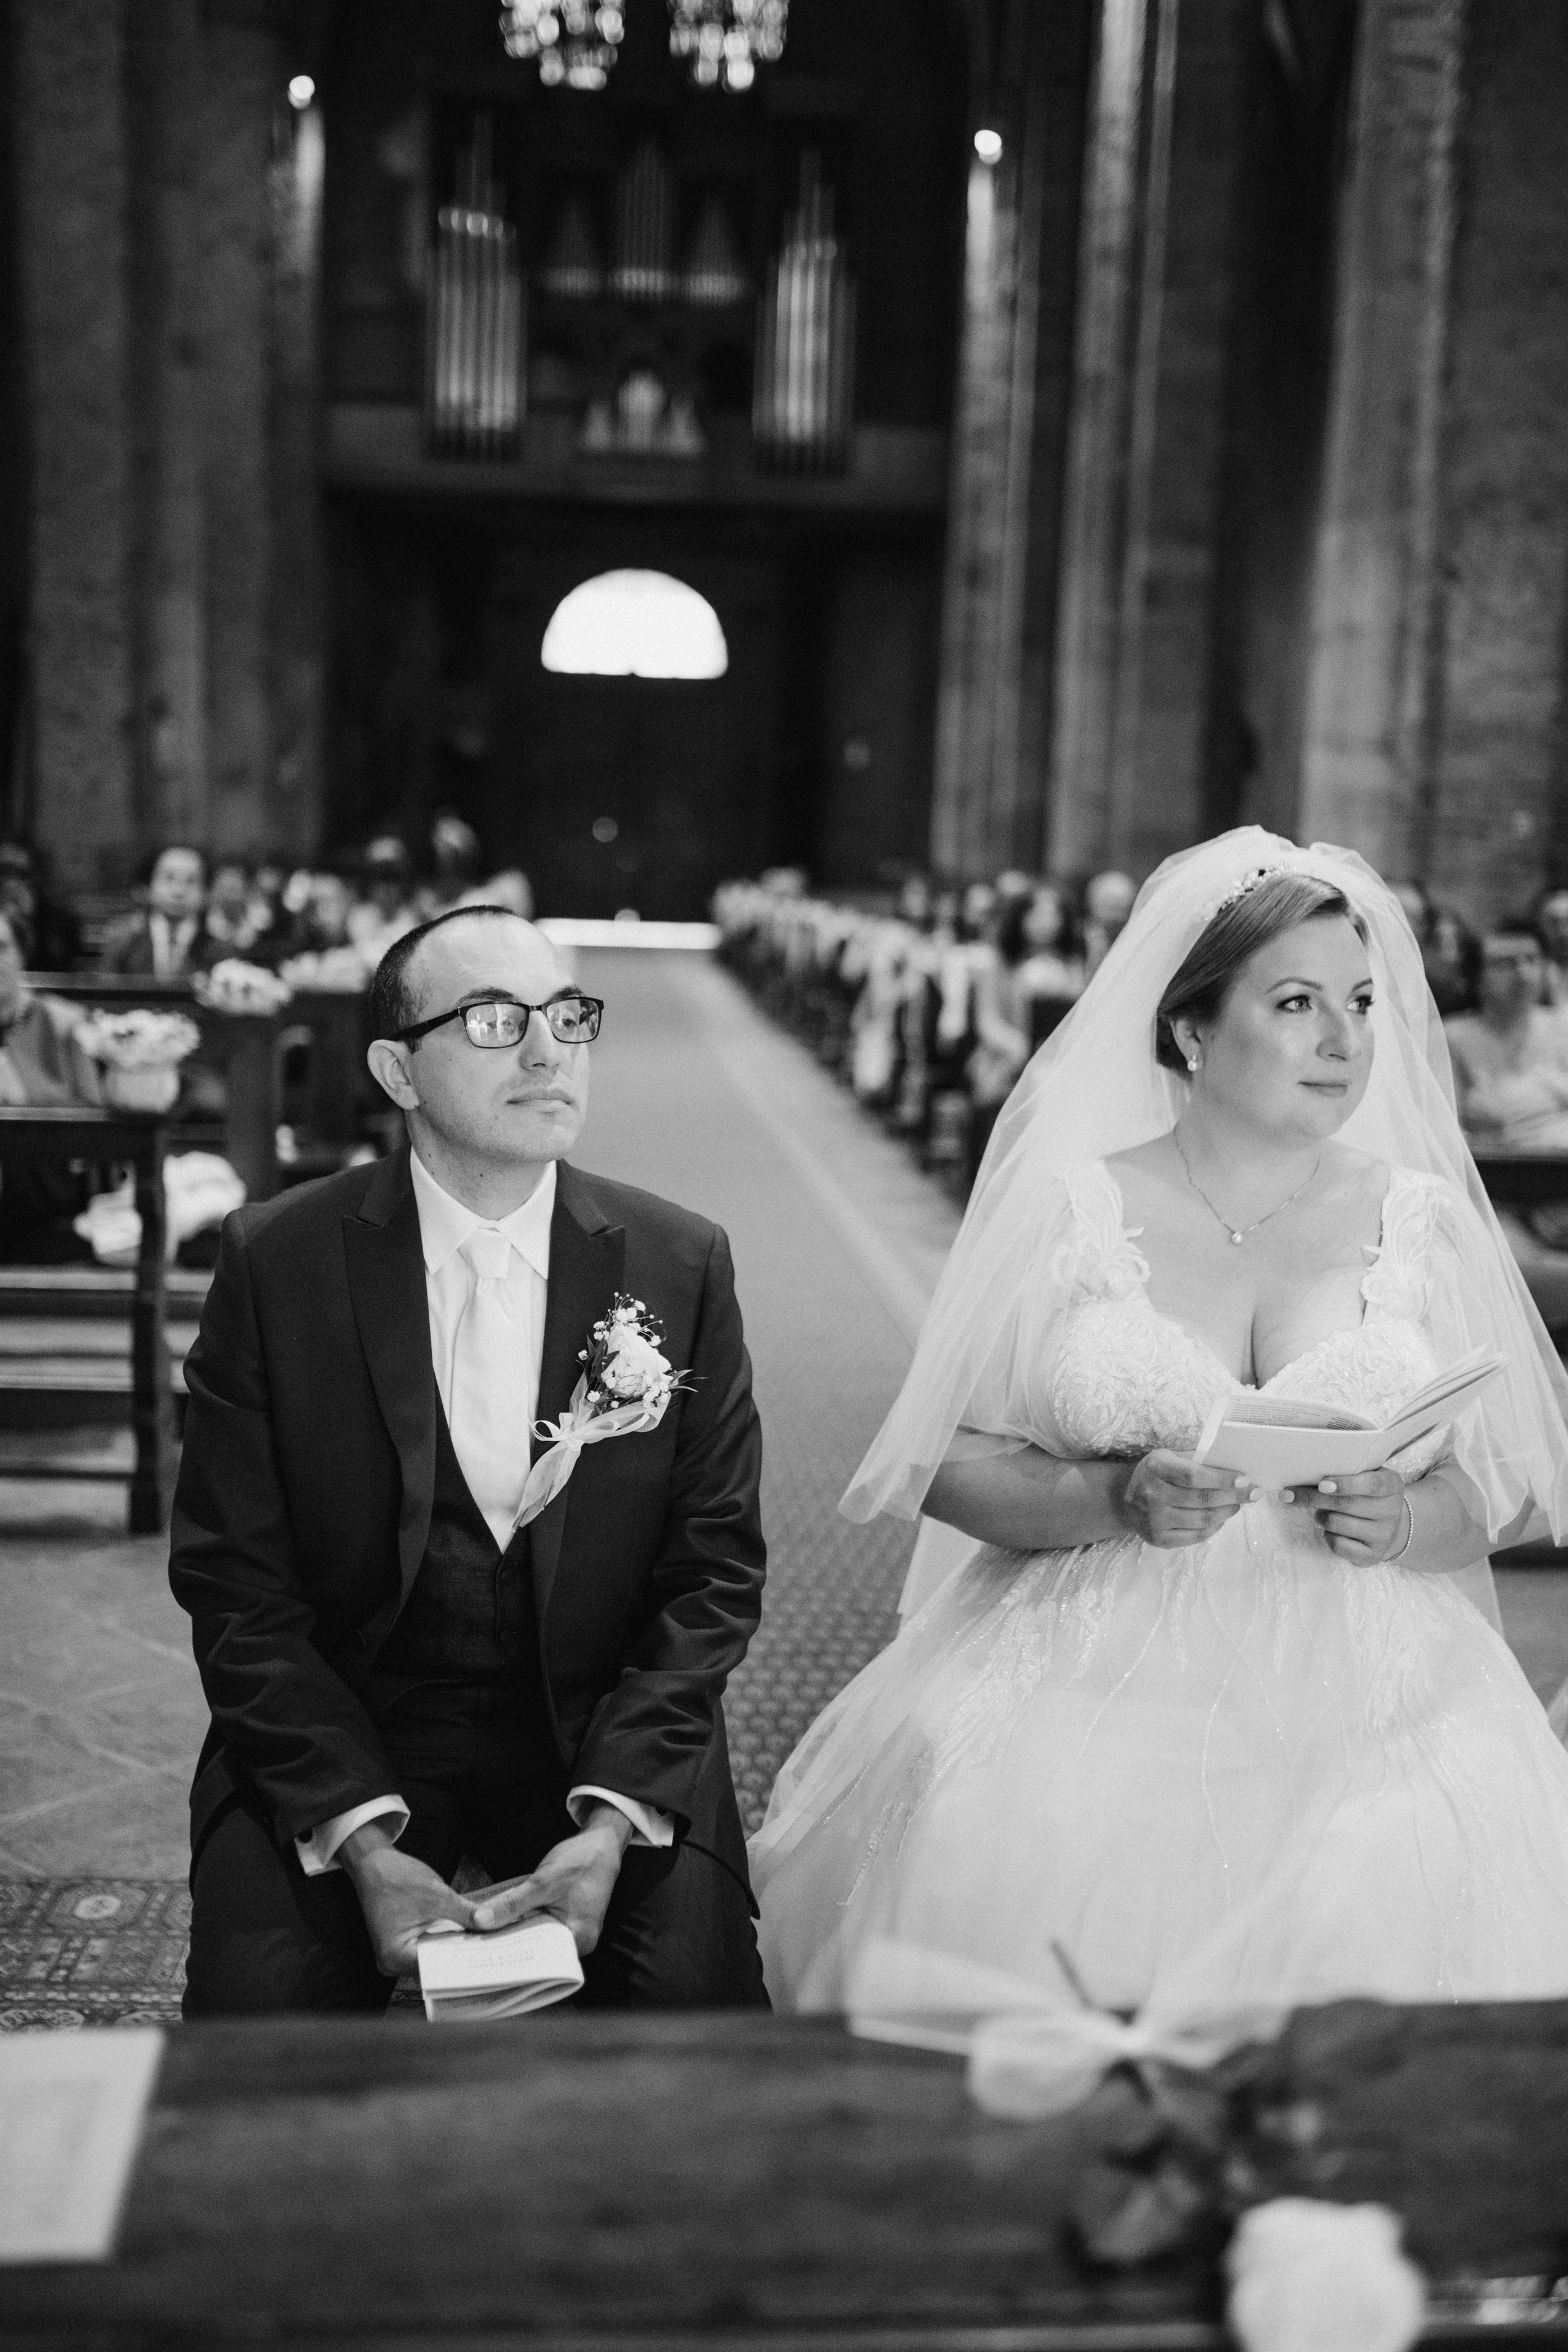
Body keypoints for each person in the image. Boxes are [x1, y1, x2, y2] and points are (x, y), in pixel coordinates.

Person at [751, 829, 1568, 2022]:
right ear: (1189, 1030)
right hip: (1086, 1656)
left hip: (1368, 1676)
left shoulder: (1419, 1217)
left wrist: (1399, 1519)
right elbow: (943, 1459)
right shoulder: (1072, 1203)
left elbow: (1497, 1485)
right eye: (1294, 1003)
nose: (1343, 1041)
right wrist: (1106, 1498)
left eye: (1358, 1002)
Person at [171, 904, 769, 2014]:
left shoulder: (681, 1264)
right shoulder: (278, 1264)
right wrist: (358, 1840)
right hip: (355, 1712)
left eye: (568, 1018)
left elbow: (714, 1571)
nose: (549, 1052)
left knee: (691, 2003)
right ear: (398, 1069)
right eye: (495, 1021)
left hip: (595, 1721)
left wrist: (609, 1825)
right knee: (260, 2024)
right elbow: (235, 1584)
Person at [1444, 919, 1568, 1326]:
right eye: (1504, 963)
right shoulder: (1454, 1038)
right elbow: (1445, 1130)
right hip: (1495, 1199)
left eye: (1532, 959)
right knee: (1499, 1265)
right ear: (1476, 976)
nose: (1522, 972)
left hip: (1561, 1188)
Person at [0, 905, 104, 1260]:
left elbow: (94, 1119)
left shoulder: (64, 1022)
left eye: (1, 948)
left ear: (21, 954)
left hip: (45, 1173)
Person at [100, 844, 217, 978]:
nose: (179, 891)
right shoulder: (123, 942)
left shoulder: (219, 948)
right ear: (149, 886)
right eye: (169, 878)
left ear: (206, 892)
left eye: (190, 881)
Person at [347, 837, 421, 969]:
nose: (385, 886)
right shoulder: (359, 917)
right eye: (379, 877)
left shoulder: (415, 918)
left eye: (392, 877)